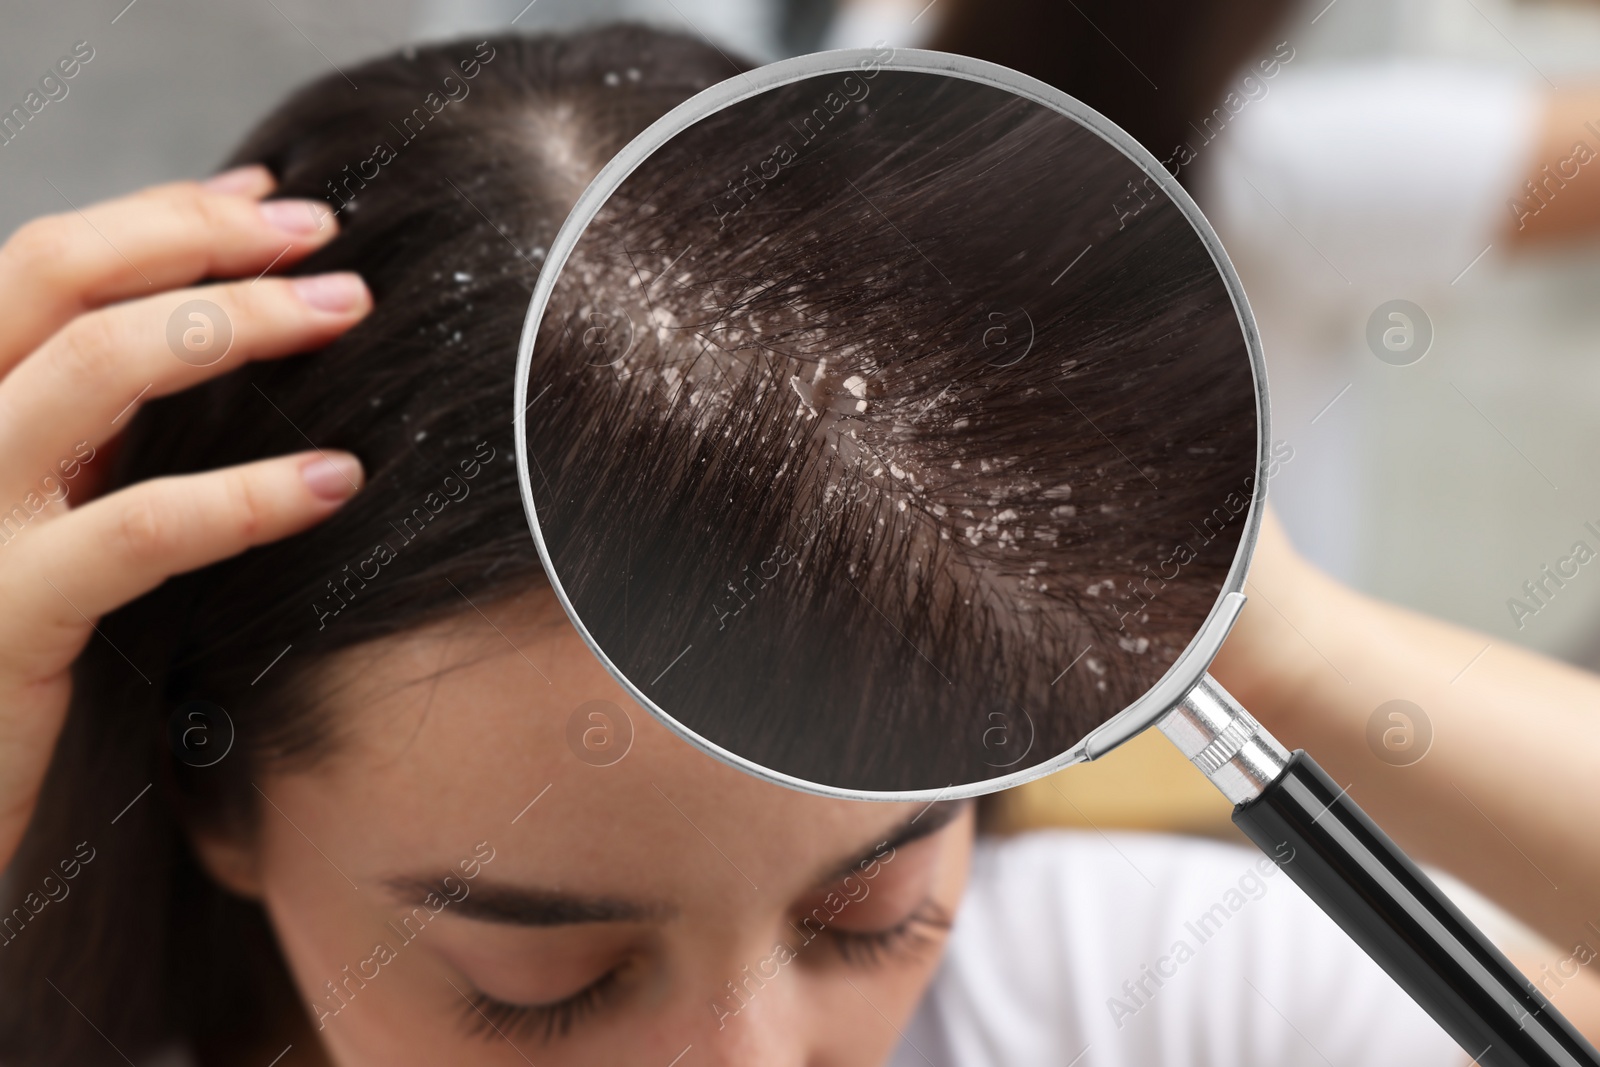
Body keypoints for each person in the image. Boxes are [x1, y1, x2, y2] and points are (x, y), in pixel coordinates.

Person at [0, 25, 1595, 1067]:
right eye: (539, 984)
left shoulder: (1157, 998)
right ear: (213, 798)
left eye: (872, 911)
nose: (752, 1055)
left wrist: (1259, 632)